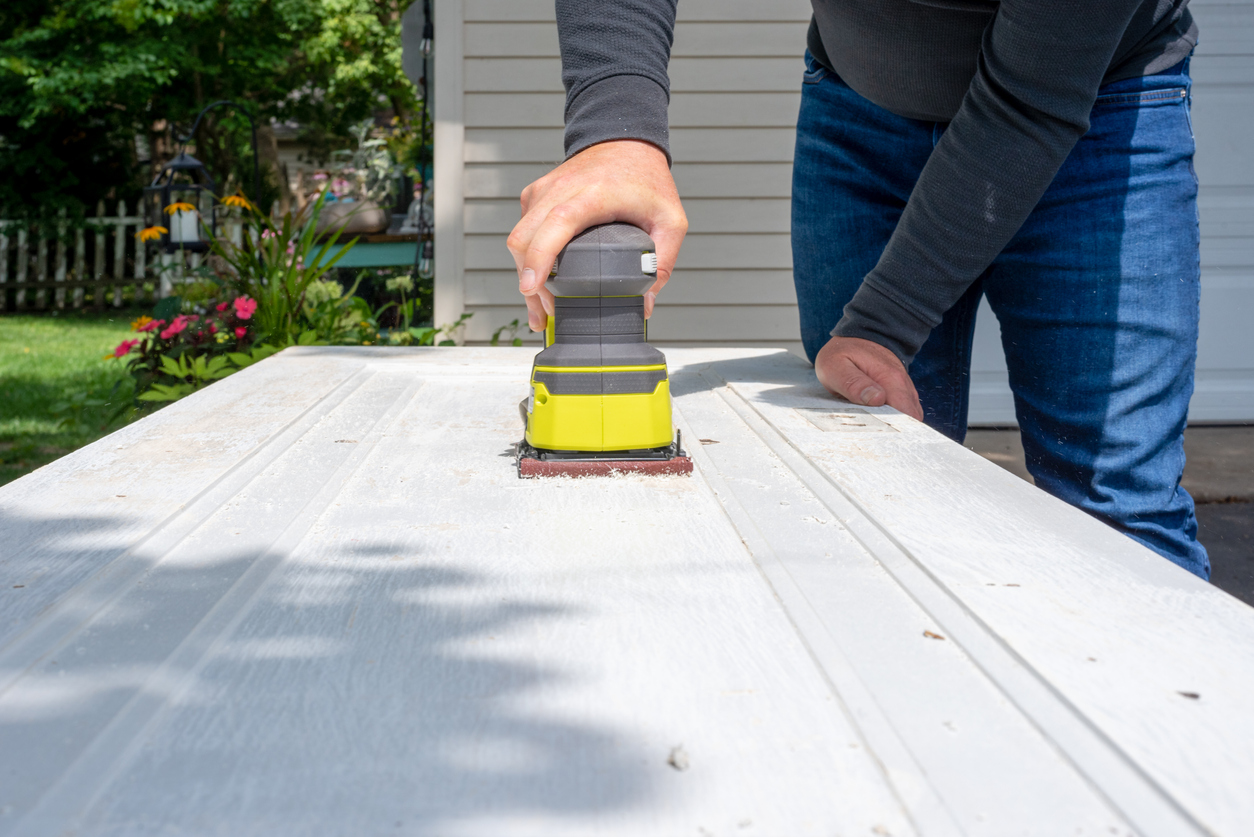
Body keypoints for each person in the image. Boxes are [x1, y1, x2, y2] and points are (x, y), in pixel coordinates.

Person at [505, 0, 1208, 578]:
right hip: (862, 105)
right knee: (874, 482)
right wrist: (616, 136)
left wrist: (884, 321)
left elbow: (1032, 99)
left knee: (1119, 516)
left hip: (1097, 105)